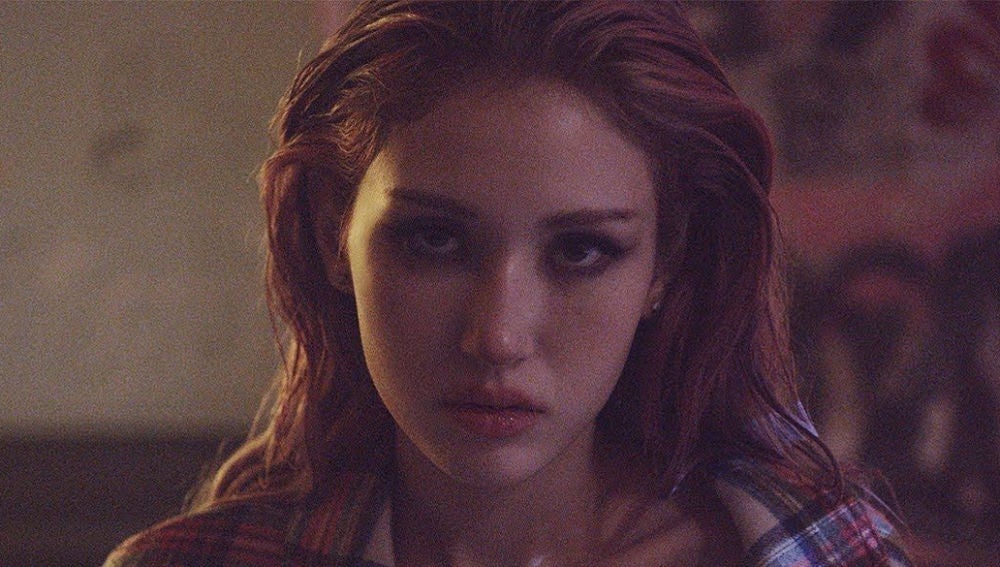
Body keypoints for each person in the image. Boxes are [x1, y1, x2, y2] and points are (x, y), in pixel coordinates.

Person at [105, 2, 912, 565]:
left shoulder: (826, 554)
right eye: (434, 239)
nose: (496, 335)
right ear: (331, 233)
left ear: (665, 264)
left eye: (581, 251)